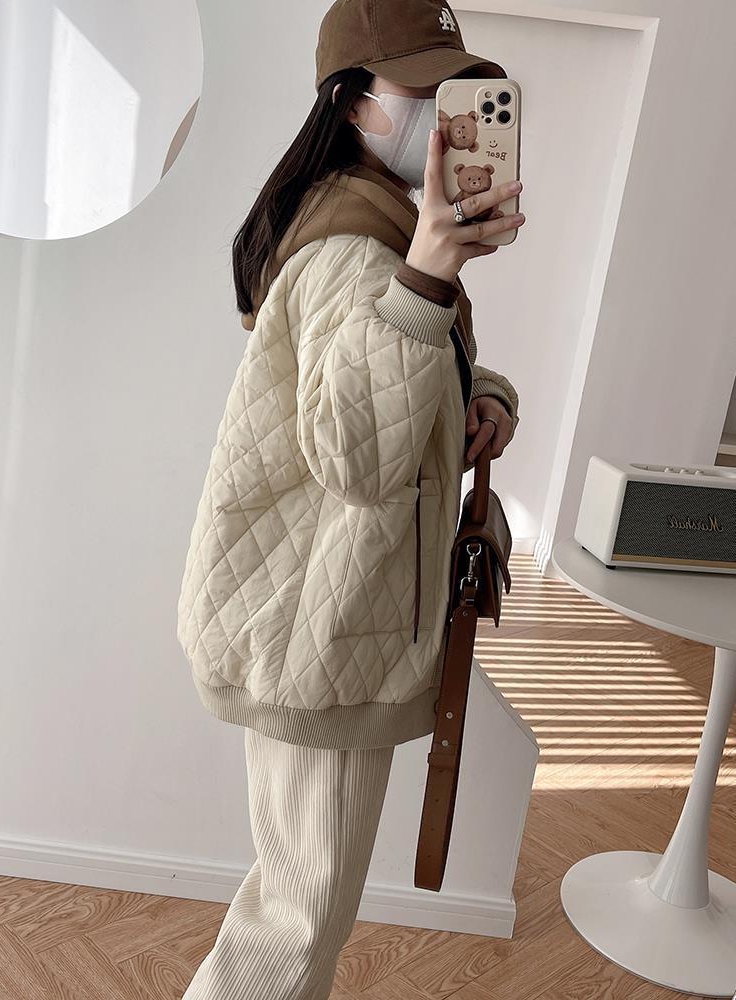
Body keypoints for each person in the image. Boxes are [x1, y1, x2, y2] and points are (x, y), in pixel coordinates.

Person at [177, 1, 525, 997]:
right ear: (352, 99)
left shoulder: (374, 216)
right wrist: (432, 269)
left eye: (455, 84)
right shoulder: (357, 246)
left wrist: (485, 395)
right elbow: (361, 456)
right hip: (321, 628)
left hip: (329, 613)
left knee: (300, 902)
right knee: (297, 919)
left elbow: (375, 384)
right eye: (421, 84)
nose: (444, 107)